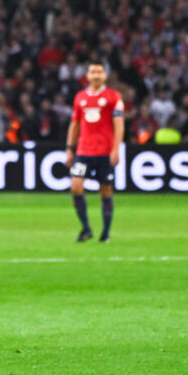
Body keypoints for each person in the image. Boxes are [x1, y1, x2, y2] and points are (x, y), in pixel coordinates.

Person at [65, 62, 125, 243]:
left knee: (105, 190)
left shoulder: (113, 97)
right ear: (88, 75)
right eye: (93, 72)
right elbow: (74, 124)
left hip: (105, 152)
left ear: (105, 75)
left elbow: (119, 124)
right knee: (76, 186)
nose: (96, 75)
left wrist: (116, 148)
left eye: (100, 72)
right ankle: (86, 228)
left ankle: (105, 233)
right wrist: (69, 148)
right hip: (83, 151)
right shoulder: (80, 97)